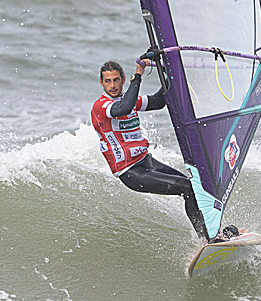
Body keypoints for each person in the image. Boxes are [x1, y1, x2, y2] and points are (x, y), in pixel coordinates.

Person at [91, 53, 239, 244]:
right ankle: (207, 240)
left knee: (193, 186)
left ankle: (213, 232)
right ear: (101, 83)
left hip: (147, 162)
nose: (113, 85)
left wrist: (170, 70)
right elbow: (124, 109)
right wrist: (139, 74)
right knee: (186, 188)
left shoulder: (130, 100)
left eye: (116, 80)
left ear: (122, 80)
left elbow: (159, 100)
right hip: (131, 172)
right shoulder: (101, 106)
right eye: (108, 81)